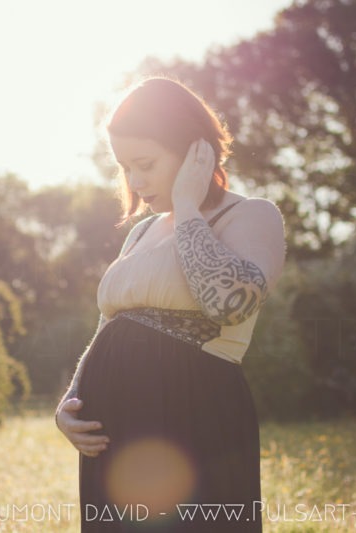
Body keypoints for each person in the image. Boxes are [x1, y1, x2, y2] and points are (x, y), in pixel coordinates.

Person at [55, 77, 286, 532]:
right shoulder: (140, 232)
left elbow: (229, 304)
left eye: (146, 164)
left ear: (193, 149)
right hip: (114, 426)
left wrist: (187, 205)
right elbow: (109, 323)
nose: (136, 184)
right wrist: (72, 399)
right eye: (125, 169)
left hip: (191, 413)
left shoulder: (253, 215)